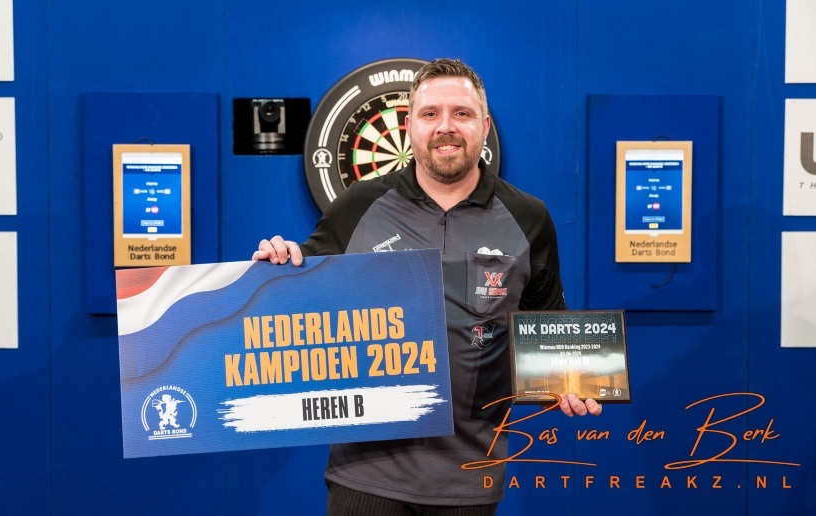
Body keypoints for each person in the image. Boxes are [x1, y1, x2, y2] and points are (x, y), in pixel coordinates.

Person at [253, 58, 602, 515]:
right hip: (364, 474)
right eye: (430, 113)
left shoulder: (528, 217)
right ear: (409, 125)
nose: (446, 127)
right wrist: (280, 262)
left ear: (484, 125)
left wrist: (568, 378)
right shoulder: (359, 204)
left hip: (470, 475)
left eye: (462, 113)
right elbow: (303, 299)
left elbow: (545, 319)